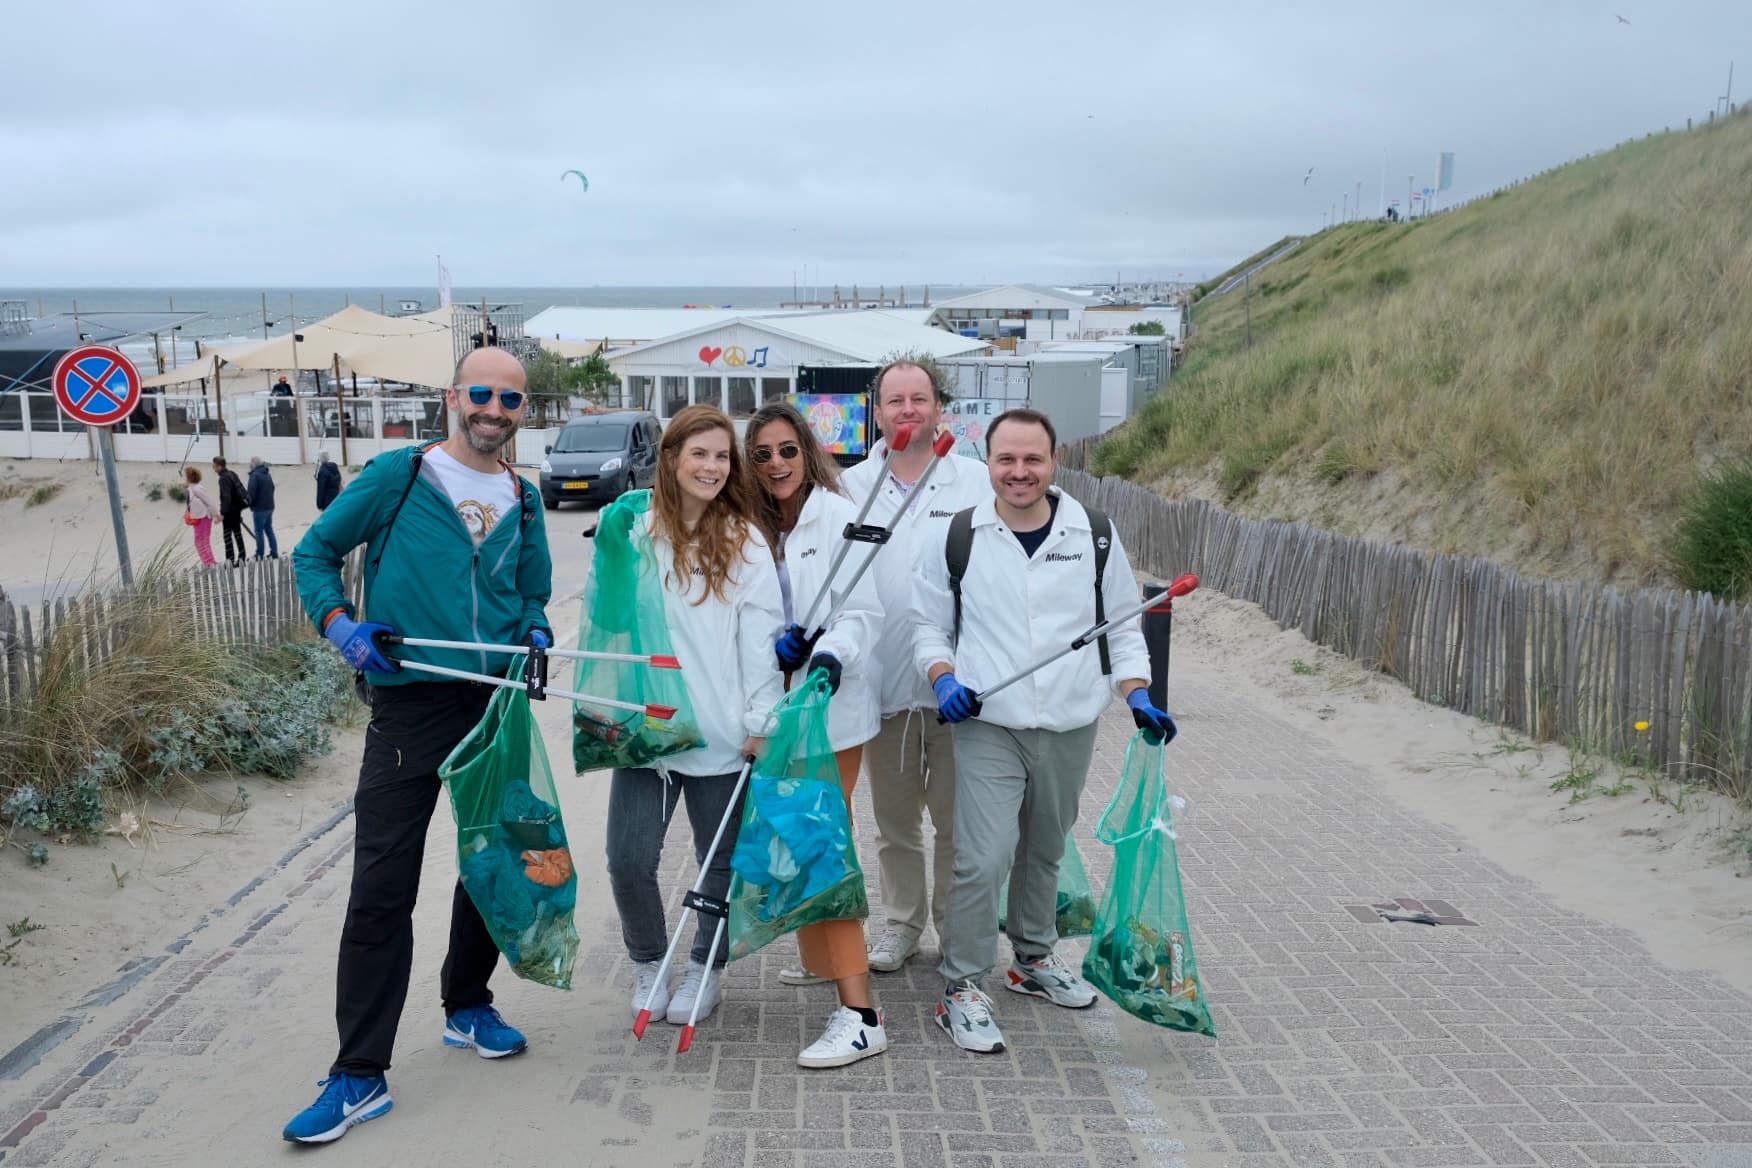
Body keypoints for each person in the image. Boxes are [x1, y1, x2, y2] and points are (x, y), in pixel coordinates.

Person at [284, 347, 554, 1144]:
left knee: (493, 863)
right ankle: (359, 1073)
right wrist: (339, 624)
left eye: (510, 398)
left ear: (521, 409)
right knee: (381, 888)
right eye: (481, 393)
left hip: (496, 702)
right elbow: (313, 554)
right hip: (407, 706)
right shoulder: (399, 476)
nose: (494, 409)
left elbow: (530, 588)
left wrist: (534, 624)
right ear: (453, 397)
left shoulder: (526, 497)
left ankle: (467, 1004)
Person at [911, 407, 1174, 1054]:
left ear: (1054, 461)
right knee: (985, 855)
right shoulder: (959, 537)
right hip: (987, 725)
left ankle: (1032, 958)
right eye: (1006, 460)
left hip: (1069, 722)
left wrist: (1138, 695)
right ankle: (962, 987)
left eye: (1033, 460)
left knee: (1046, 847)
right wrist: (943, 677)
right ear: (989, 461)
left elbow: (1121, 626)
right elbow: (928, 628)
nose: (1019, 472)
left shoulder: (1097, 535)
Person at [606, 404, 783, 1034]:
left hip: (721, 733)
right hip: (649, 733)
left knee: (719, 865)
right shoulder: (633, 530)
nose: (711, 467)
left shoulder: (744, 541)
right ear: (671, 458)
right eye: (698, 453)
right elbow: (610, 623)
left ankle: (706, 966)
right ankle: (649, 960)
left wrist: (761, 721)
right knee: (628, 859)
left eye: (721, 456)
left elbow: (761, 641)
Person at [835, 359, 993, 974]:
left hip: (959, 688)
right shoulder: (851, 486)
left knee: (959, 826)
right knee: (896, 825)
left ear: (937, 409)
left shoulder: (975, 482)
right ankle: (900, 924)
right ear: (878, 412)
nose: (907, 409)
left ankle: (957, 926)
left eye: (919, 398)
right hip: (883, 687)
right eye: (895, 400)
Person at [743, 403, 888, 1067]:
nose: (776, 464)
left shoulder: (838, 516)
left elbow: (862, 610)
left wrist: (829, 653)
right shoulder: (746, 522)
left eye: (787, 451)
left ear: (808, 452)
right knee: (796, 843)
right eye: (763, 453)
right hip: (774, 712)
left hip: (831, 711)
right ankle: (817, 957)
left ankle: (861, 1015)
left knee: (824, 846)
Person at [211, 456, 249, 565]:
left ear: (219, 466)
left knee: (227, 536)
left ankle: (230, 561)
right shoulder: (232, 473)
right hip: (237, 509)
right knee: (238, 534)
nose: (213, 468)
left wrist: (223, 513)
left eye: (214, 466)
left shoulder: (223, 478)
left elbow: (226, 497)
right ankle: (242, 557)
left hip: (229, 512)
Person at [182, 466, 218, 567]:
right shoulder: (196, 487)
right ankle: (210, 562)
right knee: (203, 540)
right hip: (203, 517)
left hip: (202, 518)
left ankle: (208, 562)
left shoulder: (195, 489)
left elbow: (209, 502)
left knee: (201, 541)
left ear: (189, 478)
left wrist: (216, 515)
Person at [247, 456, 279, 559]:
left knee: (259, 531)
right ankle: (274, 552)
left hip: (260, 508)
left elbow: (251, 493)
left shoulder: (255, 476)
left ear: (253, 465)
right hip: (269, 506)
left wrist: (250, 504)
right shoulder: (267, 474)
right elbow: (273, 488)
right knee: (269, 529)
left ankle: (259, 553)